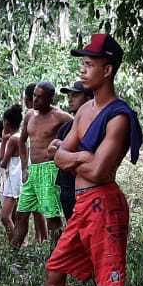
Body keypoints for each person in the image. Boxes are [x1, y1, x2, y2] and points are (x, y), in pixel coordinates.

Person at [16, 34, 143, 286]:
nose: (83, 70)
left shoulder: (118, 117)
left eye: (89, 64)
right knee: (55, 267)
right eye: (83, 63)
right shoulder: (85, 110)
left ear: (108, 70)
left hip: (104, 204)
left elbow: (100, 170)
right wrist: (79, 156)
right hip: (83, 203)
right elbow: (59, 157)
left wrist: (70, 156)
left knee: (109, 283)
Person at [14, 81, 73, 245]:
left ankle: (56, 258)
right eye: (34, 96)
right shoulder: (30, 116)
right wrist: (25, 167)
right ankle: (12, 256)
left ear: (50, 98)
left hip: (50, 170)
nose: (35, 100)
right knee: (21, 214)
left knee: (52, 217)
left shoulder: (61, 116)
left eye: (40, 98)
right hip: (33, 171)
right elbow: (22, 141)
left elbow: (79, 131)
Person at [55, 81, 91, 220]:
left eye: (75, 95)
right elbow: (51, 152)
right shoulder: (66, 128)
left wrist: (63, 151)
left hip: (86, 189)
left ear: (88, 98)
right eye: (69, 95)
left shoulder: (95, 126)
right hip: (66, 188)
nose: (70, 98)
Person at [0, 104, 25, 232]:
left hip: (14, 180)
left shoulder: (13, 139)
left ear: (6, 122)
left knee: (5, 216)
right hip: (18, 178)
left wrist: (3, 140)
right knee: (15, 215)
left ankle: (14, 245)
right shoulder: (21, 137)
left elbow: (2, 162)